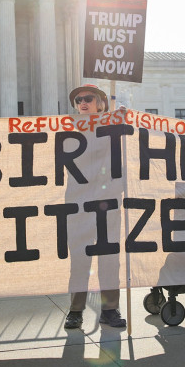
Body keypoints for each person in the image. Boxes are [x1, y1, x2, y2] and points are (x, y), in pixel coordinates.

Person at [63, 84, 126, 330]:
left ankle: (110, 310)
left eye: (87, 98)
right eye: (78, 100)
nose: (82, 103)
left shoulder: (114, 126)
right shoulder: (68, 130)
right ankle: (75, 310)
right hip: (78, 204)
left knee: (109, 257)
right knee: (79, 257)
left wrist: (122, 121)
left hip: (107, 201)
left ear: (100, 102)